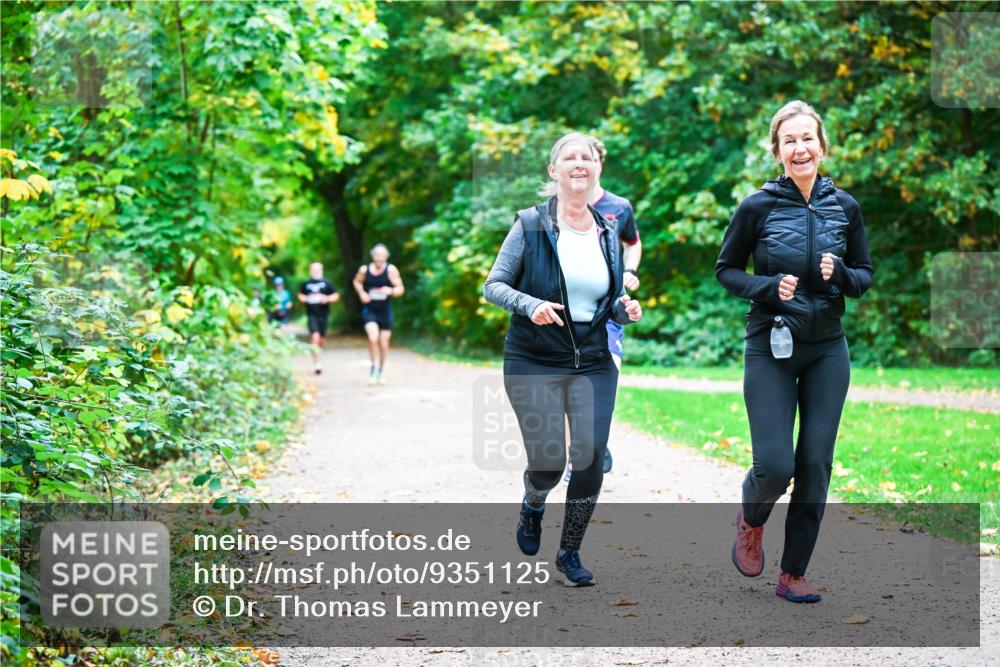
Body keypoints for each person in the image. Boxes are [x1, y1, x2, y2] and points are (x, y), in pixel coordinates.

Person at [716, 101, 873, 603]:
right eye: (790, 141)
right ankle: (751, 517)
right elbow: (726, 270)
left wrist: (841, 275)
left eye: (808, 139)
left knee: (815, 463)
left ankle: (794, 573)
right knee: (776, 464)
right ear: (778, 151)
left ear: (822, 146)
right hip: (770, 346)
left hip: (827, 349)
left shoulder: (844, 207)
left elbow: (865, 276)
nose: (800, 148)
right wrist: (766, 288)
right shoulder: (756, 206)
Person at [483, 133, 643, 586]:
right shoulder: (530, 225)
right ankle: (533, 503)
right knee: (549, 461)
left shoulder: (609, 232)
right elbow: (493, 285)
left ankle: (570, 552)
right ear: (553, 172)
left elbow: (609, 300)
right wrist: (529, 304)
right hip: (533, 357)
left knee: (590, 457)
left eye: (587, 157)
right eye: (569, 157)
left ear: (597, 170)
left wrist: (624, 309)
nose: (579, 163)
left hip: (592, 360)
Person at [352, 244, 404, 385]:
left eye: (382, 255)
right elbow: (356, 281)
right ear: (373, 256)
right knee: (372, 337)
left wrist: (391, 291)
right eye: (377, 255)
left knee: (384, 342)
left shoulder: (391, 270)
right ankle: (373, 369)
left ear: (386, 256)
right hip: (370, 309)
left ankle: (381, 370)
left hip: (385, 311)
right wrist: (362, 293)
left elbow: (400, 288)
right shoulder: (364, 270)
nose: (380, 258)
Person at [298, 262, 340, 375]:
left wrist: (327, 299)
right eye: (313, 269)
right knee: (315, 337)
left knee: (321, 339)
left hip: (324, 314)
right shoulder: (306, 284)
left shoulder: (327, 283)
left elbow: (336, 295)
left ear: (321, 270)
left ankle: (318, 354)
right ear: (310, 271)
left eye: (317, 269)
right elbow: (300, 295)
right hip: (311, 314)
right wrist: (305, 299)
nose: (315, 271)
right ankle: (316, 363)